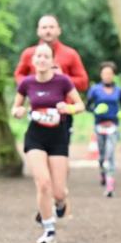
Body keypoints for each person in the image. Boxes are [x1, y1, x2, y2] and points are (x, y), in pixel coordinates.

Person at [14, 15, 88, 219]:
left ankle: (60, 195)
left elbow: (83, 81)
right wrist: (35, 82)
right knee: (41, 170)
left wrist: (60, 78)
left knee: (58, 162)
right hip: (37, 113)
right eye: (43, 27)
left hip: (63, 114)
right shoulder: (30, 53)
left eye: (51, 27)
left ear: (58, 30)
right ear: (38, 31)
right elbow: (18, 76)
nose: (47, 30)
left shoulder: (70, 54)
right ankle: (44, 203)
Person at [86, 62, 121, 197]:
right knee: (102, 156)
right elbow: (87, 107)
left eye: (110, 73)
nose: (107, 76)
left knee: (110, 154)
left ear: (113, 75)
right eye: (105, 73)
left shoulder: (118, 90)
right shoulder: (95, 89)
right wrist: (95, 110)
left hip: (113, 126)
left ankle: (109, 186)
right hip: (99, 125)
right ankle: (103, 172)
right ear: (101, 75)